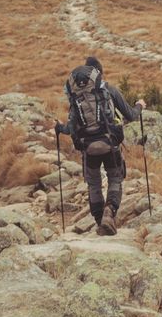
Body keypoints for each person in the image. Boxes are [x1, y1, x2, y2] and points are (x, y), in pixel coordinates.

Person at [54, 56, 144, 235]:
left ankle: (98, 221)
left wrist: (58, 127)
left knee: (94, 183)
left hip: (88, 148)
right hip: (110, 144)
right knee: (115, 178)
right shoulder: (109, 90)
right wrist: (140, 105)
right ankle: (109, 214)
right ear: (99, 74)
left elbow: (71, 128)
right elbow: (132, 115)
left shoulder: (76, 96)